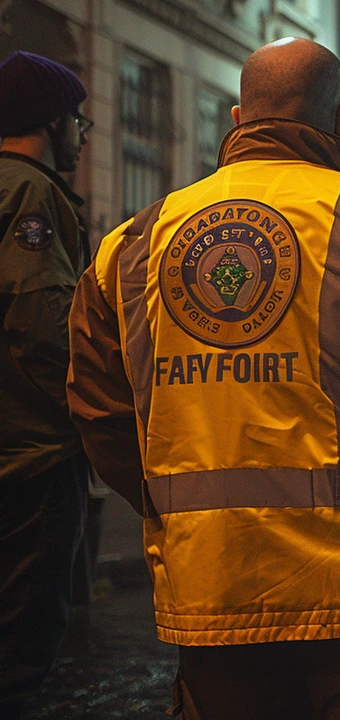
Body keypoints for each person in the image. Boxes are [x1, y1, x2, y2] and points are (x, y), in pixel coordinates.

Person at [66, 37, 340, 720]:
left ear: (238, 119)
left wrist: (188, 520)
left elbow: (101, 416)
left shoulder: (133, 245)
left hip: (215, 584)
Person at [0, 50, 93, 717]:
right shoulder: (30, 192)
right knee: (22, 638)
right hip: (30, 454)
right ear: (50, 119)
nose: (85, 133)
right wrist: (89, 415)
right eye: (78, 118)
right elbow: (40, 323)